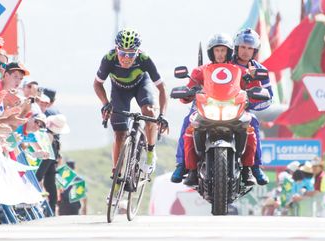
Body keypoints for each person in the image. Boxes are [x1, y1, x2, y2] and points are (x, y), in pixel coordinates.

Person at [174, 33, 257, 186]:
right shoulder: (200, 71)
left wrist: (252, 80)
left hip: (231, 110)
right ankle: (189, 169)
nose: (220, 54)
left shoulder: (240, 71)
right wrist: (186, 93)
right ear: (211, 52)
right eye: (217, 50)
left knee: (249, 130)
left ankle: (248, 169)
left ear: (229, 52)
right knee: (189, 130)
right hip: (207, 109)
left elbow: (252, 89)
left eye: (223, 50)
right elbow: (188, 90)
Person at [93, 28, 168, 176]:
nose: (126, 58)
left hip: (141, 86)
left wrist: (162, 115)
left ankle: (151, 153)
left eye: (131, 54)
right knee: (120, 133)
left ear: (137, 52)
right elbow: (97, 84)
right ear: (117, 50)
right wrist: (105, 103)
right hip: (119, 91)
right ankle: (117, 172)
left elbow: (162, 88)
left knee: (150, 112)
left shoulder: (144, 59)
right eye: (122, 53)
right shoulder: (109, 59)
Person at [231, 28, 273, 185]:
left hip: (241, 111)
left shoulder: (260, 71)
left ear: (255, 50)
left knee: (253, 123)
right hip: (217, 107)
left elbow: (269, 97)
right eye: (242, 47)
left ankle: (253, 167)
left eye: (249, 48)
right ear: (236, 48)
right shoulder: (224, 63)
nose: (245, 51)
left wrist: (252, 100)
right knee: (192, 120)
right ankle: (186, 166)